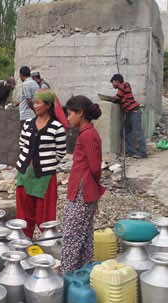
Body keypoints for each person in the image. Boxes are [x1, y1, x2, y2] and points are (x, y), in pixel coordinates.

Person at [60, 96, 107, 275]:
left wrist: (92, 188)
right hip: (84, 189)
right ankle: (83, 274)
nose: (68, 118)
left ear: (80, 113)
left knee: (72, 235)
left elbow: (95, 167)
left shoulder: (88, 134)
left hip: (83, 189)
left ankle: (67, 277)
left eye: (70, 114)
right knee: (85, 235)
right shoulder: (87, 133)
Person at [16, 89, 67, 238]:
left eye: (39, 102)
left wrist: (47, 164)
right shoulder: (27, 124)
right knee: (24, 213)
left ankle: (48, 243)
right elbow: (22, 145)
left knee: (45, 214)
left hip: (45, 176)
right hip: (25, 173)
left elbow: (61, 152)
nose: (35, 106)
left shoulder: (56, 127)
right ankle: (24, 242)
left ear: (48, 105)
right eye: (35, 102)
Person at [111, 74, 147, 159]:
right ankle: (132, 152)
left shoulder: (124, 85)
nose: (112, 85)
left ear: (117, 81)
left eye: (113, 82)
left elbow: (118, 98)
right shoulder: (123, 87)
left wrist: (112, 99)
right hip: (130, 113)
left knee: (138, 132)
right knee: (124, 132)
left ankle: (143, 153)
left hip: (134, 112)